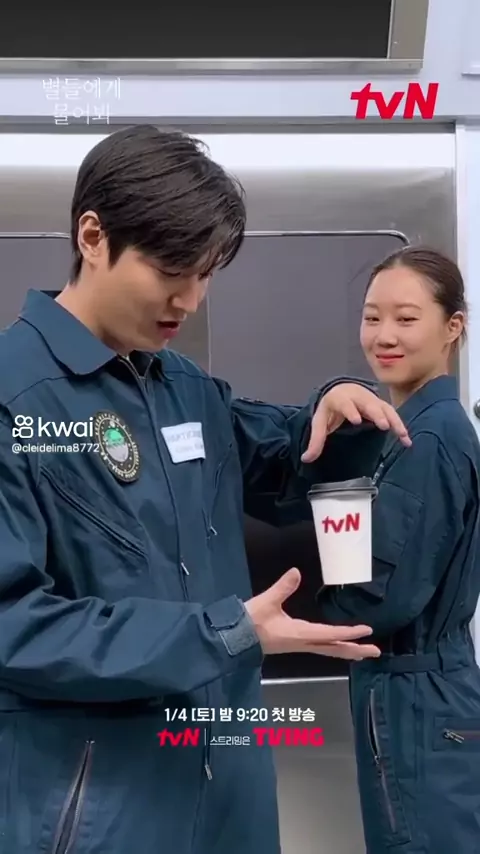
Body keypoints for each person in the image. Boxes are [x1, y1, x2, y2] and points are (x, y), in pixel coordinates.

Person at [0, 125, 410, 854]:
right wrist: (220, 634)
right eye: (170, 270)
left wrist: (341, 412)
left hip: (230, 791)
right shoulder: (16, 401)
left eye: (205, 274)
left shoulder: (183, 388)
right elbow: (14, 624)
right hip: (101, 806)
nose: (188, 300)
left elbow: (284, 462)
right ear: (93, 237)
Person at [317, 246, 480, 854]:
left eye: (406, 319)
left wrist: (310, 612)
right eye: (372, 317)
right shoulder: (413, 427)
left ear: (452, 327)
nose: (384, 336)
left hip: (415, 697)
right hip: (424, 690)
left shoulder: (429, 438)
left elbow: (384, 599)